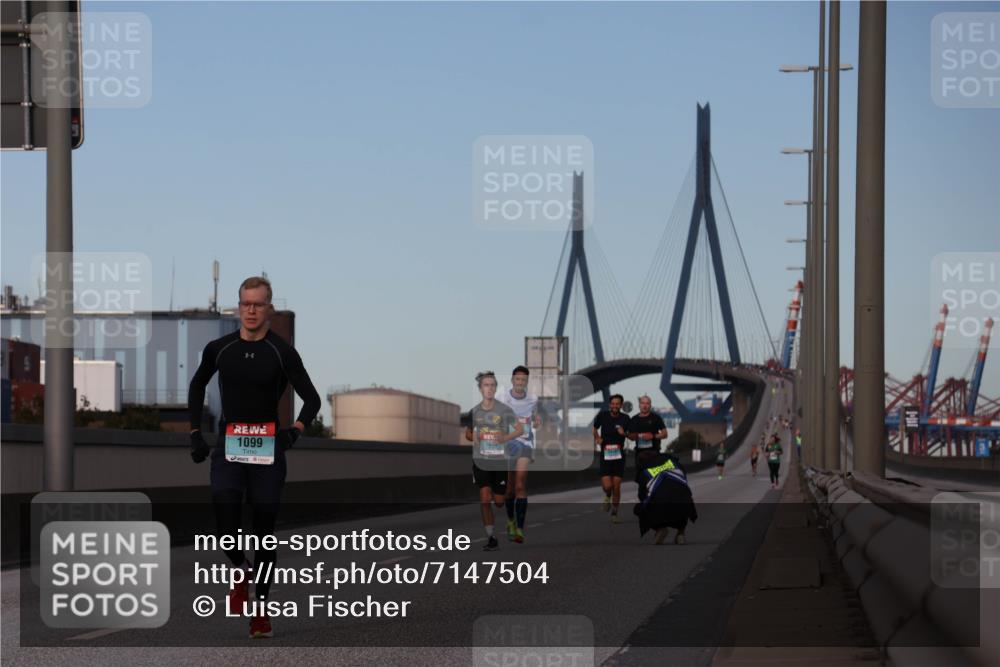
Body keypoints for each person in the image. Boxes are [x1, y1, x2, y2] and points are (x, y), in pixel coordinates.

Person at [188, 276, 321, 639]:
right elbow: (197, 383)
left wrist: (294, 429)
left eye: (258, 304)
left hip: (267, 447)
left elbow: (312, 399)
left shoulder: (282, 351)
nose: (250, 310)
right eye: (245, 303)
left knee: (264, 534)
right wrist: (195, 432)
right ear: (238, 306)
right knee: (225, 522)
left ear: (269, 308)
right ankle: (239, 569)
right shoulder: (220, 348)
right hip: (230, 445)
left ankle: (260, 613)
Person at [466, 371, 523, 551]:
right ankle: (491, 538)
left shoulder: (504, 410)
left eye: (492, 385)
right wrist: (474, 438)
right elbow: (468, 433)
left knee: (499, 501)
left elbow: (520, 430)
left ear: (495, 388)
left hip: (499, 461)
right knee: (484, 499)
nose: (489, 388)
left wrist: (505, 437)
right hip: (481, 460)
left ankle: (510, 514)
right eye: (485, 385)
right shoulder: (475, 411)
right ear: (480, 389)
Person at [497, 365, 539, 543]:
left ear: (527, 382)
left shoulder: (533, 399)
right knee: (509, 490)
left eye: (524, 380)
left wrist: (537, 420)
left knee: (520, 485)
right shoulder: (503, 397)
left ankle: (520, 529)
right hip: (508, 444)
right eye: (518, 379)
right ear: (513, 380)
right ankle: (511, 520)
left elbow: (535, 418)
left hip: (525, 444)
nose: (521, 382)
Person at [634, 451, 698, 545]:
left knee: (639, 508)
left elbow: (642, 496)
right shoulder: (673, 462)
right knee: (684, 499)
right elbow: (684, 483)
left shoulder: (644, 471)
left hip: (661, 508)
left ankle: (660, 528)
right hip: (683, 506)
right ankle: (681, 533)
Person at [592, 394, 630, 523]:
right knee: (608, 486)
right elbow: (594, 428)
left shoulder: (626, 418)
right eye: (613, 403)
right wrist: (597, 438)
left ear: (621, 405)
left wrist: (623, 433)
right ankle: (607, 495)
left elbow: (631, 435)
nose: (615, 406)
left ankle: (614, 512)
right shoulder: (603, 416)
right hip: (606, 454)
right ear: (610, 405)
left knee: (617, 486)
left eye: (617, 404)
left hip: (619, 455)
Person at [627, 395, 668, 484]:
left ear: (650, 405)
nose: (645, 405)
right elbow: (630, 437)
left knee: (653, 479)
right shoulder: (634, 419)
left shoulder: (656, 418)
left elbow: (665, 434)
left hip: (654, 453)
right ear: (639, 405)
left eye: (647, 403)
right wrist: (634, 436)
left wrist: (653, 436)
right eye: (642, 403)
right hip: (639, 454)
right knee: (641, 480)